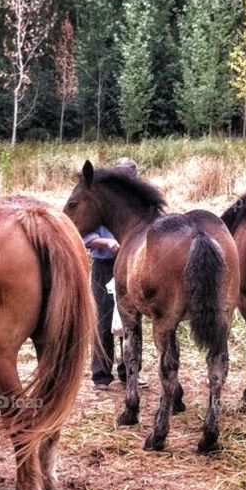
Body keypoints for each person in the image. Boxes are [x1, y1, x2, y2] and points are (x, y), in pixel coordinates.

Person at [84, 157, 139, 387]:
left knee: (131, 319)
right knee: (103, 319)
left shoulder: (138, 203)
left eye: (130, 179)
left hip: (129, 266)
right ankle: (101, 375)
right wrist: (106, 243)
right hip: (104, 267)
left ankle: (130, 372)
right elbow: (85, 235)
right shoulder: (100, 201)